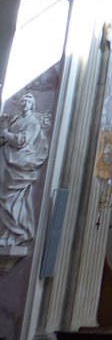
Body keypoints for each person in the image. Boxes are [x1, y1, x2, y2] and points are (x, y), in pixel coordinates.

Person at [0, 93, 50, 248]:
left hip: (19, 165)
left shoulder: (33, 123)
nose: (25, 103)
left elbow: (22, 140)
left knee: (12, 200)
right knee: (2, 199)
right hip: (7, 162)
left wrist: (6, 132)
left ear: (32, 105)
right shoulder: (15, 120)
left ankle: (16, 233)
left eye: (28, 101)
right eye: (23, 100)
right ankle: (4, 232)